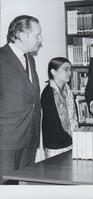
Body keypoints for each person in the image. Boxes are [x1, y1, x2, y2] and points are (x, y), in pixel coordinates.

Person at [0, 15, 42, 182]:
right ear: (22, 35)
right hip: (7, 139)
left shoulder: (29, 59)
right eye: (37, 35)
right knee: (6, 186)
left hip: (30, 134)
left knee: (23, 185)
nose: (40, 39)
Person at [41, 57, 78, 158]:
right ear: (53, 71)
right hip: (55, 144)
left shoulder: (68, 91)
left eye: (70, 69)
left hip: (70, 141)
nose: (69, 72)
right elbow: (53, 121)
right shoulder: (48, 92)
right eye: (65, 69)